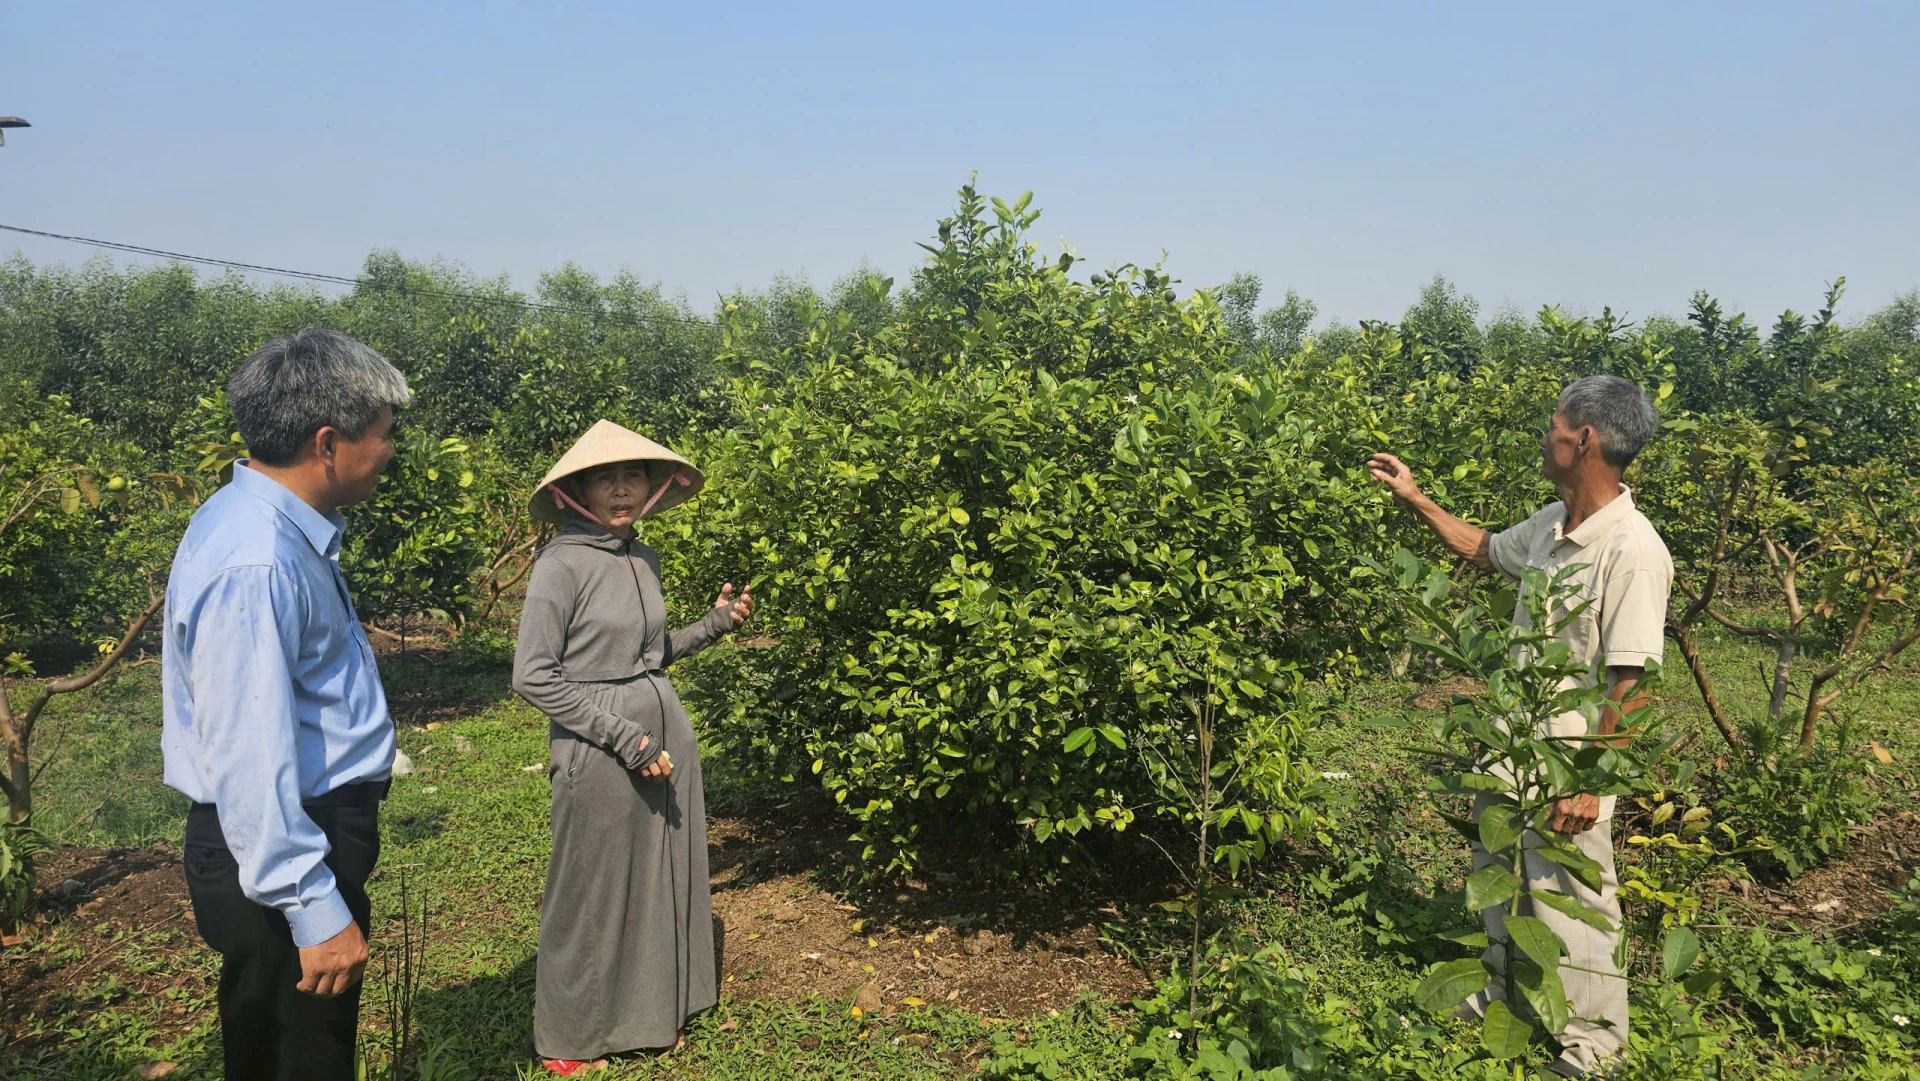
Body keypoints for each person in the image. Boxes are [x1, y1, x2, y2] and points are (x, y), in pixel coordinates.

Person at [1367, 375, 1671, 1079]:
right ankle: (1501, 993)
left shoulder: (1633, 550)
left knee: (1572, 896)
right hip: (1513, 739)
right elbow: (1483, 549)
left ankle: (1595, 1045)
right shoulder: (1549, 520)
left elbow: (1631, 683)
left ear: (1584, 439)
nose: (1545, 438)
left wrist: (1590, 782)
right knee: (1498, 872)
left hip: (1571, 755)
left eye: (1554, 427)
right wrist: (1414, 497)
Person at [162, 330, 410, 1079]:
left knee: (291, 1044)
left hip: (296, 832)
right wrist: (312, 902)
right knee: (296, 1058)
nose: (390, 450)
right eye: (383, 434)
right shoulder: (257, 560)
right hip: (285, 845)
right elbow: (247, 752)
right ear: (327, 442)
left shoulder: (263, 526)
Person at [512, 419, 752, 1075]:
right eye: (605, 477)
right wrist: (625, 736)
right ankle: (568, 1034)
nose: (621, 488)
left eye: (633, 475)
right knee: (588, 888)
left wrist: (713, 625)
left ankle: (646, 1014)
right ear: (578, 490)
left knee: (657, 874)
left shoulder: (641, 557)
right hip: (602, 741)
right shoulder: (561, 563)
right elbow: (532, 674)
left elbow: (647, 655)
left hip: (664, 731)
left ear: (652, 486)